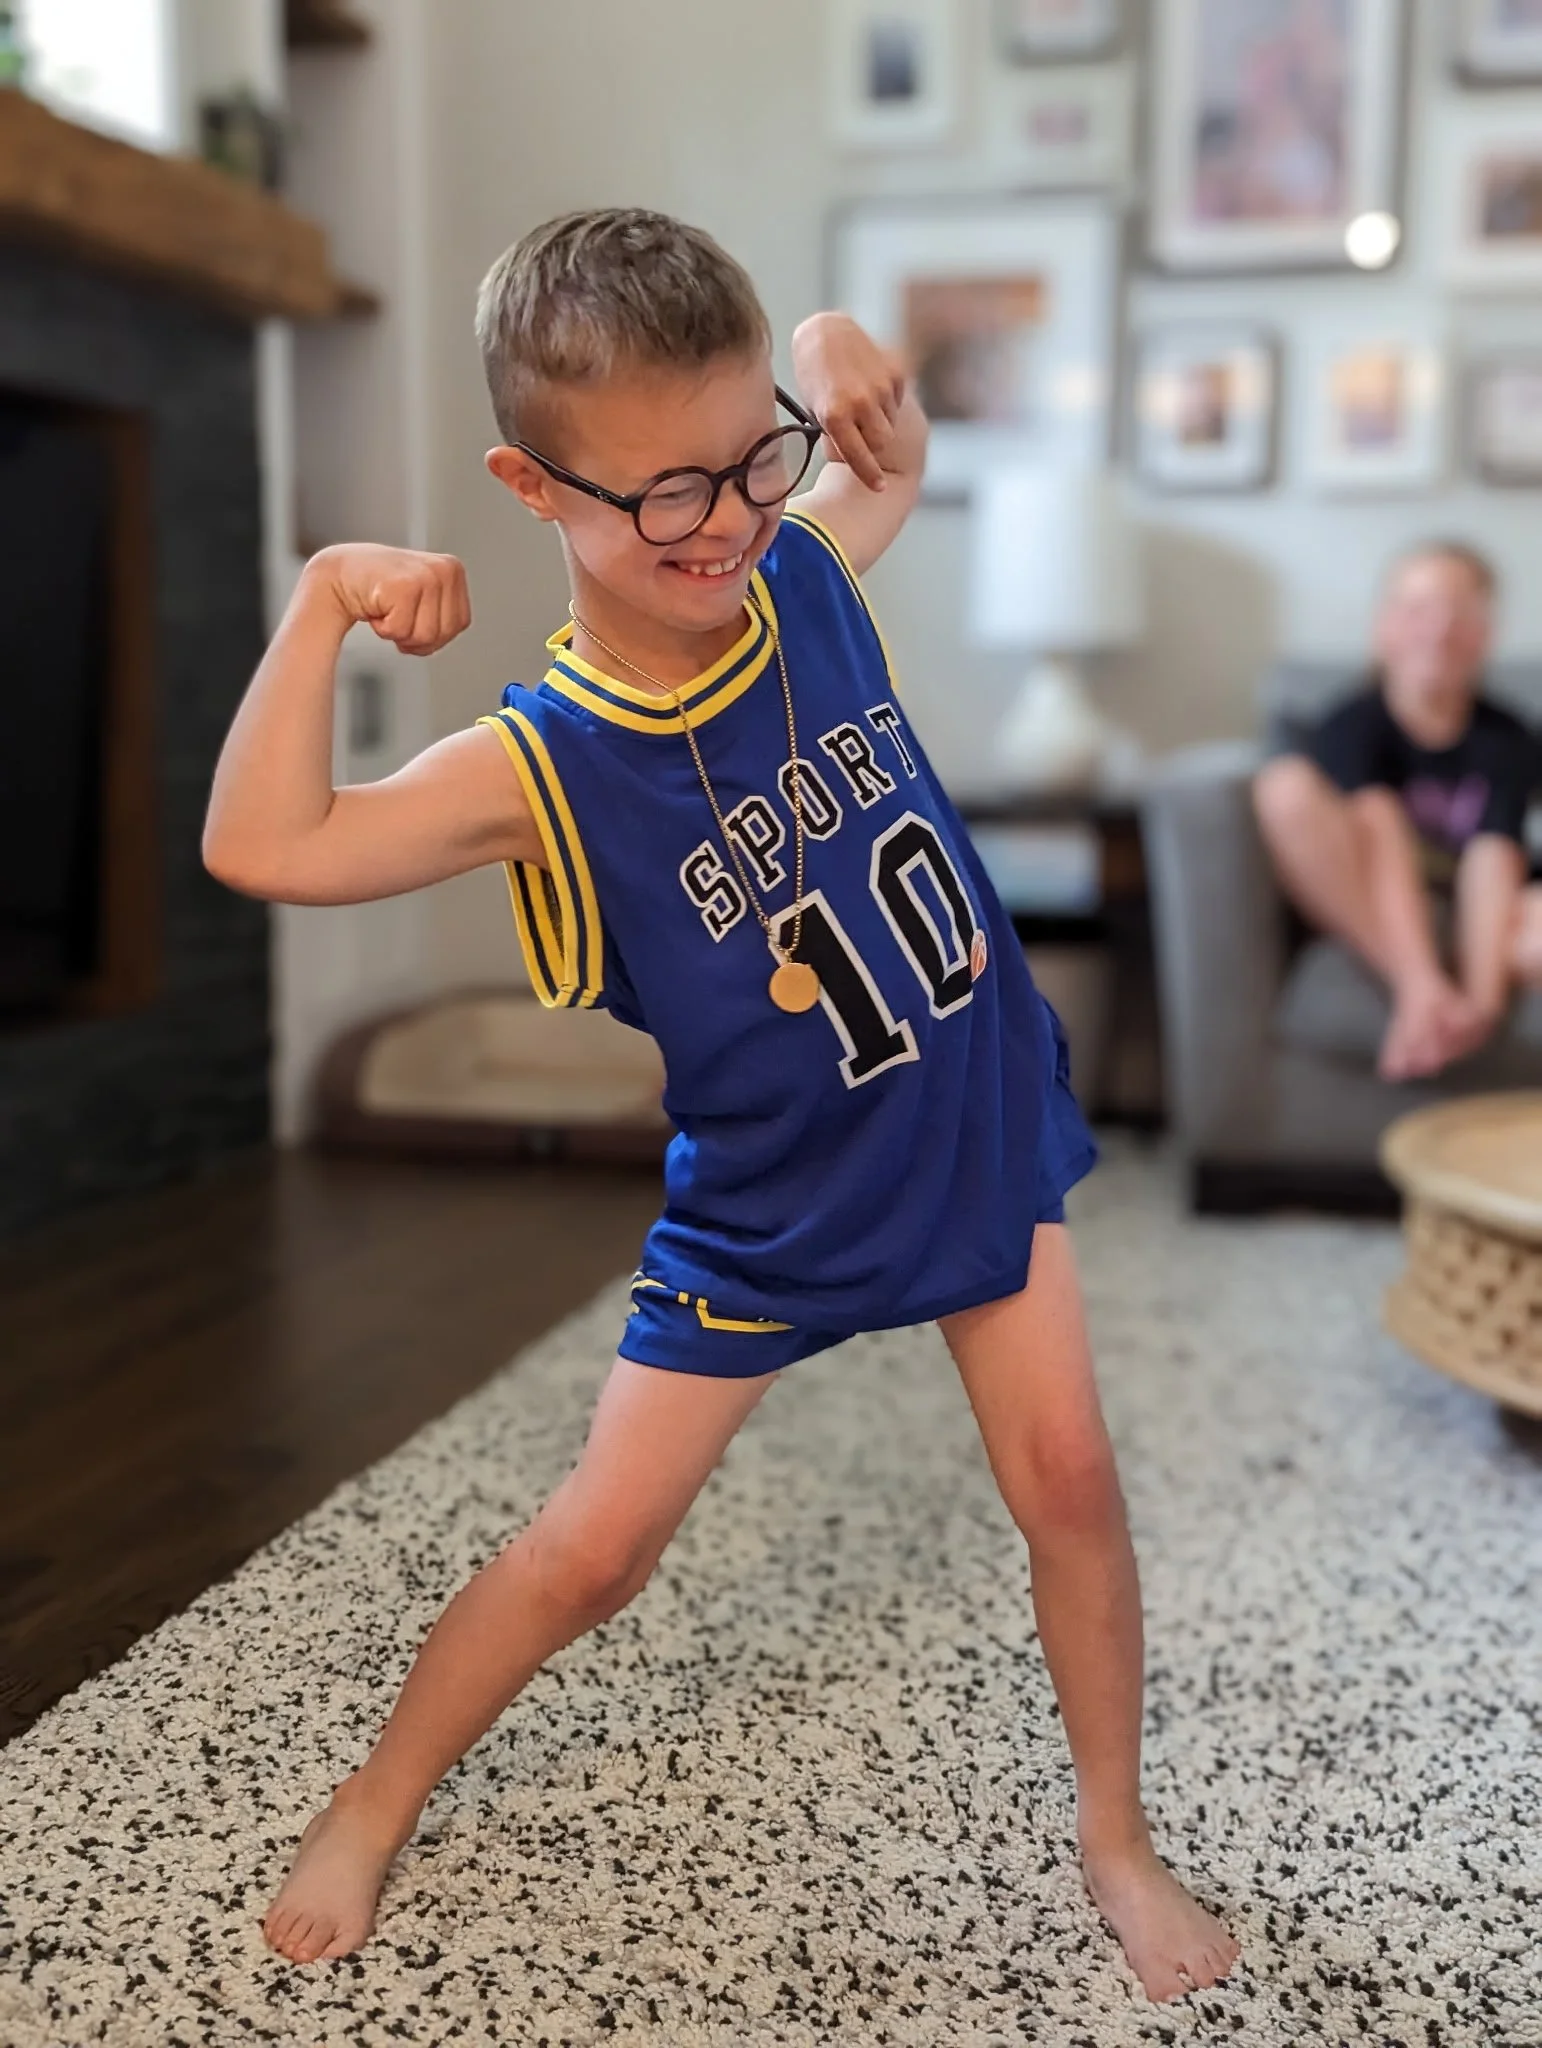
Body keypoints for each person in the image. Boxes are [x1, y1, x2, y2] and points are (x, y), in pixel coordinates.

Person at [205, 209, 1239, 2003]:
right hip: (768, 1202)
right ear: (533, 489)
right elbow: (261, 843)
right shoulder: (533, 765)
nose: (728, 522)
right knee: (594, 1551)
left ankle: (1113, 1832)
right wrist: (317, 604)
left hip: (971, 1124)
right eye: (662, 493)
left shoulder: (807, 576)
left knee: (1068, 1478)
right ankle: (375, 1794)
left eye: (750, 457)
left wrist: (834, 340)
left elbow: (877, 445)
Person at [1254, 541, 1542, 1082]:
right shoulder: (1352, 724)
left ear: (1485, 634)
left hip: (1486, 912)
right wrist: (1420, 984)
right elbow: (1378, 835)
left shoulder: (1510, 738)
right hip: (1382, 902)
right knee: (1284, 785)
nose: (1437, 630)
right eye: (1417, 610)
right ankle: (1422, 989)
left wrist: (1480, 1006)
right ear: (1383, 627)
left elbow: (1493, 856)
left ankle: (1452, 1019)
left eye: (1458, 613)